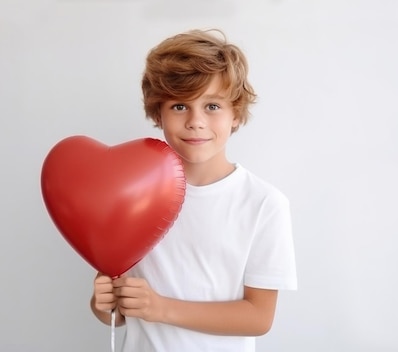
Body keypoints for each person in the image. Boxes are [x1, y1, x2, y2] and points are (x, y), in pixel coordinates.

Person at [89, 29, 298, 352]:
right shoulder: (131, 196)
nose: (196, 121)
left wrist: (161, 308)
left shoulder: (263, 204)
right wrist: (103, 304)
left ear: (236, 115)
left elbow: (259, 317)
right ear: (158, 113)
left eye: (212, 106)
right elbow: (118, 314)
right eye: (179, 106)